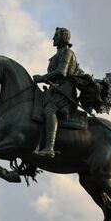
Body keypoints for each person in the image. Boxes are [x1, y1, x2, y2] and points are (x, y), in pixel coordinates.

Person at [33, 27, 79, 158]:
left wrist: (42, 78)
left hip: (64, 91)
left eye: (55, 36)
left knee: (49, 109)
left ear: (63, 37)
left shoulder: (67, 52)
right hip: (56, 89)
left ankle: (49, 148)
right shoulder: (57, 55)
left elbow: (62, 72)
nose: (53, 38)